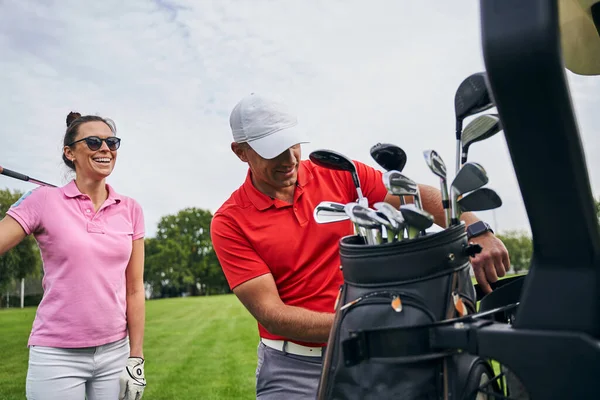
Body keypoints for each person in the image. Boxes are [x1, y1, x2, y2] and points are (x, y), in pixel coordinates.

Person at [210, 93, 511, 399]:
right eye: (273, 151)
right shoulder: (230, 221)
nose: (289, 160)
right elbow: (273, 314)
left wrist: (476, 229)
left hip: (367, 355)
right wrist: (366, 322)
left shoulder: (339, 174)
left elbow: (416, 196)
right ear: (241, 152)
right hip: (292, 368)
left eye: (293, 145)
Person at [0, 112, 147, 400]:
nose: (105, 149)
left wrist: (136, 357)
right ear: (70, 153)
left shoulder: (131, 209)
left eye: (111, 142)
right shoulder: (42, 200)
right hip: (57, 355)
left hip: (115, 351)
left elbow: (135, 287)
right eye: (93, 142)